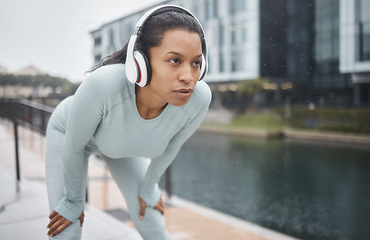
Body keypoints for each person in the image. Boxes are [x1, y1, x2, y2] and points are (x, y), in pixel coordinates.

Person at [45, 5, 211, 240]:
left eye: (196, 63)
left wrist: (148, 187)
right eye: (175, 60)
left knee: (152, 219)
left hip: (118, 144)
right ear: (140, 62)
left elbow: (171, 148)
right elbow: (73, 146)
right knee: (67, 229)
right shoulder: (104, 85)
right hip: (69, 136)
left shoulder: (199, 99)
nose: (188, 76)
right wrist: (73, 200)